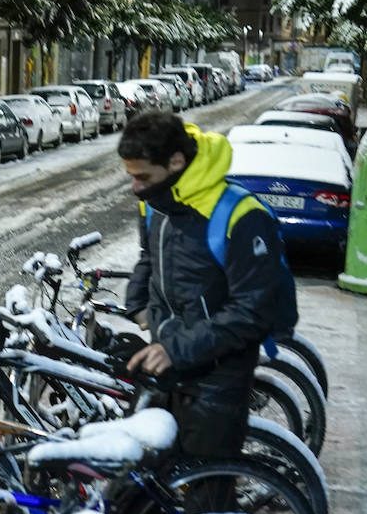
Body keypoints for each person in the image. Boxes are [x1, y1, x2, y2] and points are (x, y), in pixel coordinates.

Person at [119, 111, 288, 459]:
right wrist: (137, 307)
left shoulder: (241, 215)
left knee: (205, 493)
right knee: (151, 485)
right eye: (131, 176)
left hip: (217, 380)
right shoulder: (157, 203)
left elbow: (252, 312)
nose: (135, 186)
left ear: (176, 162)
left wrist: (175, 349)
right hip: (167, 365)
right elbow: (149, 258)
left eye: (143, 177)